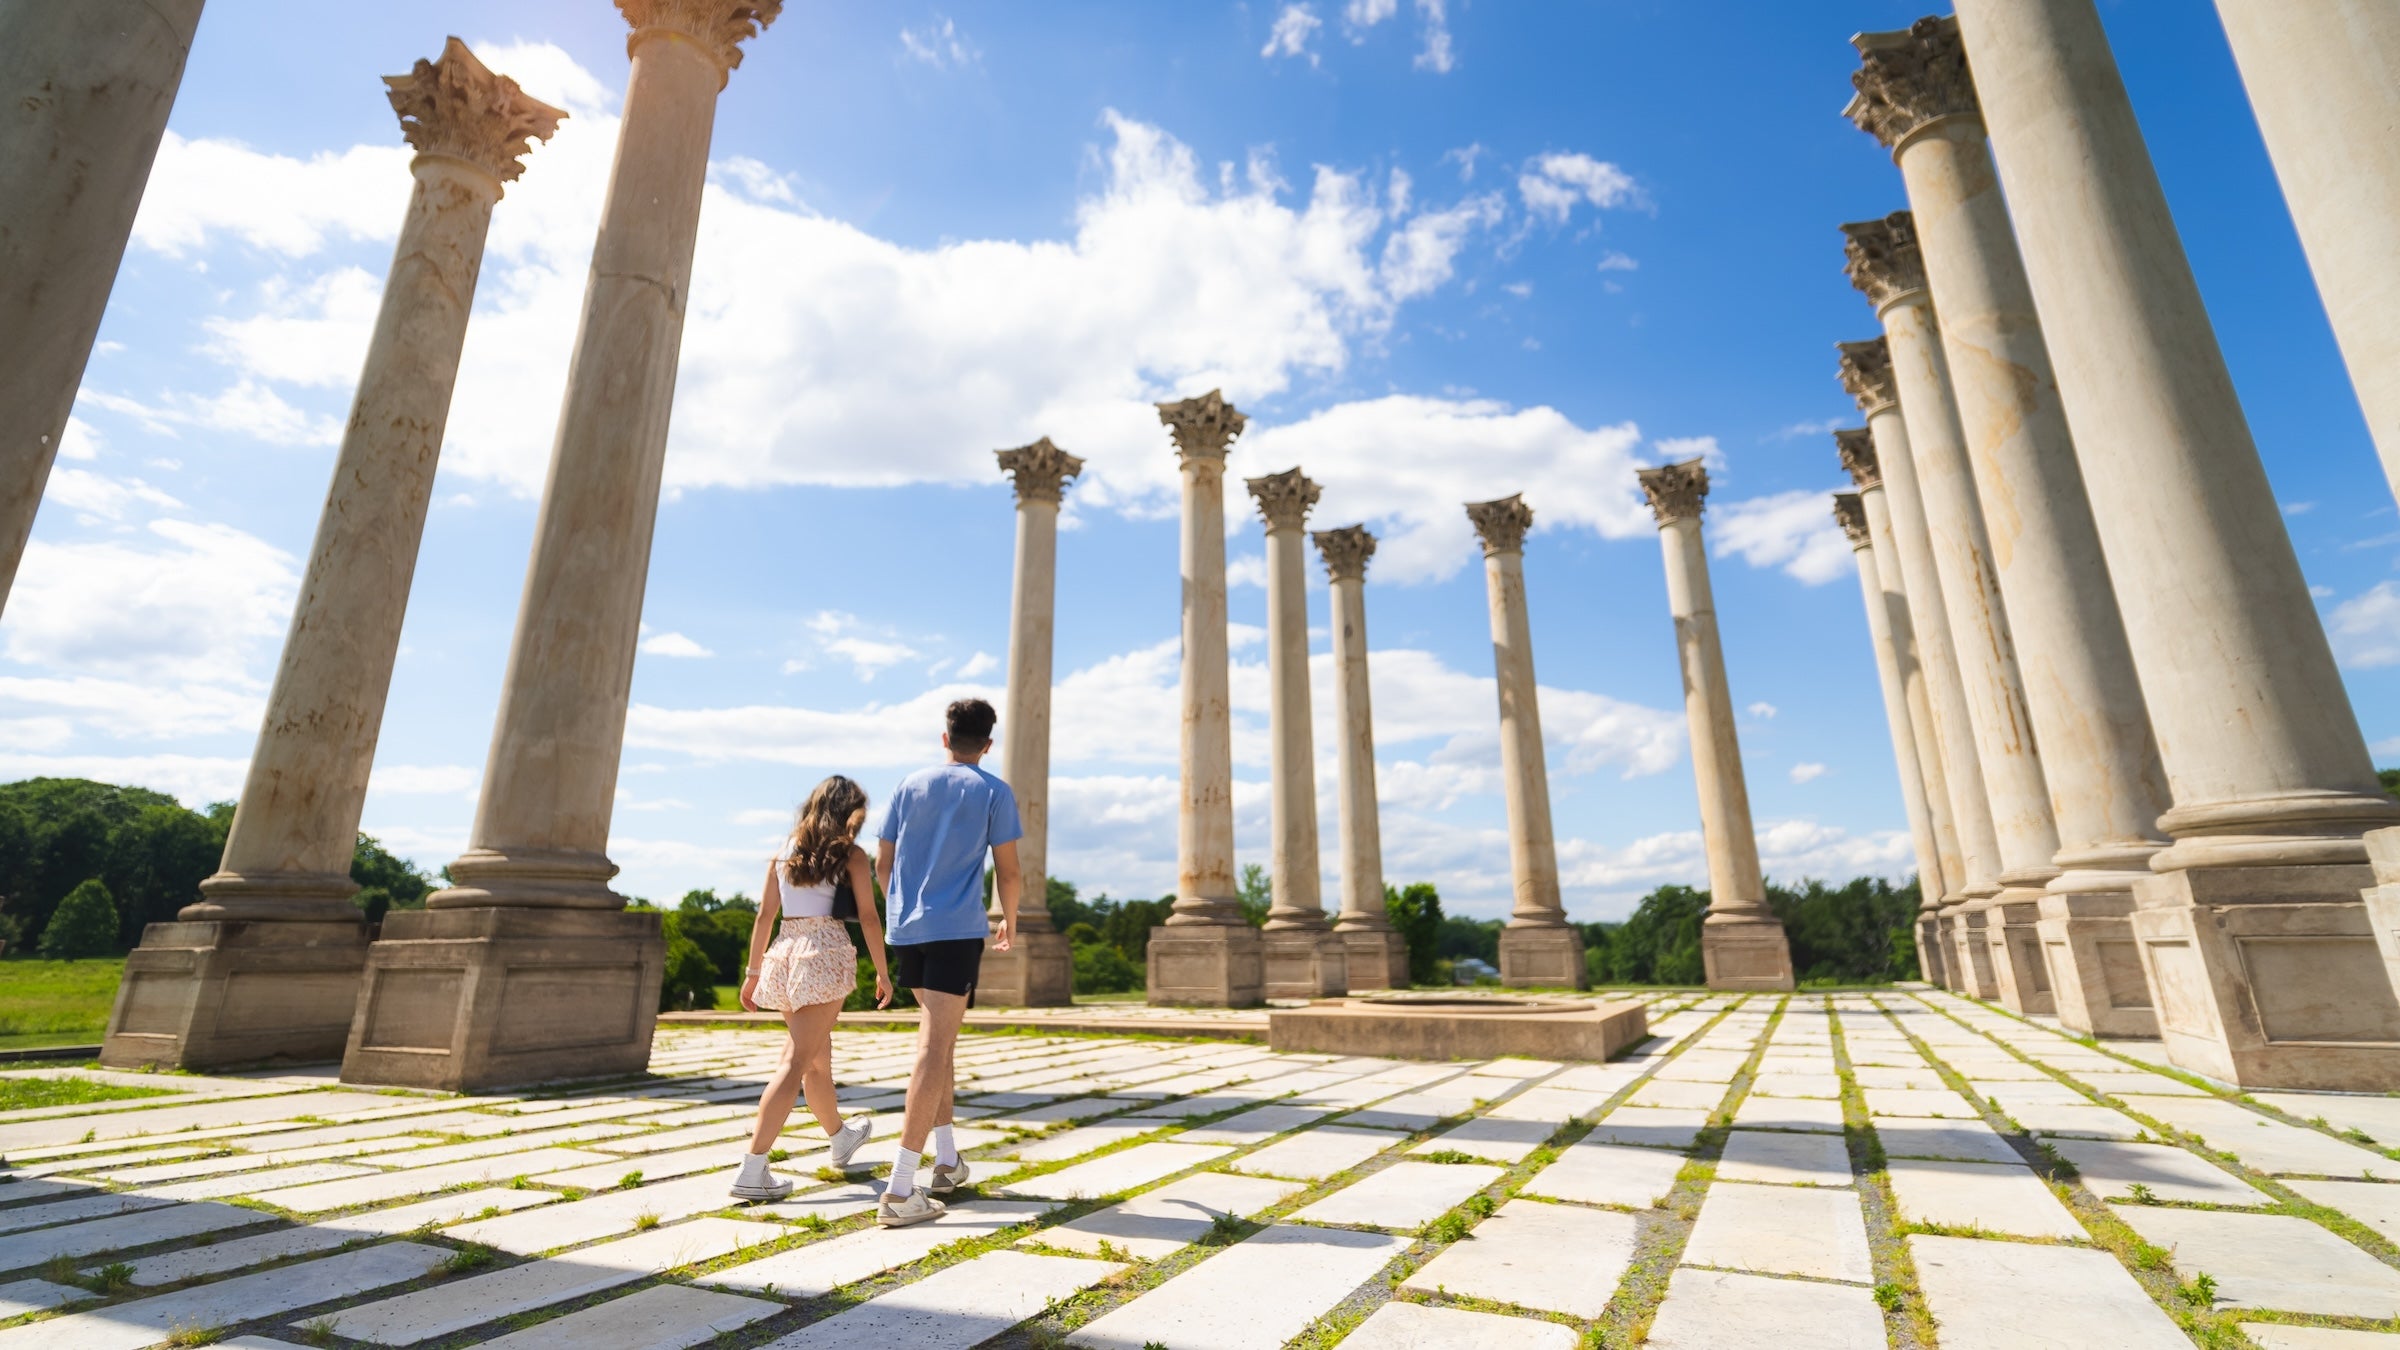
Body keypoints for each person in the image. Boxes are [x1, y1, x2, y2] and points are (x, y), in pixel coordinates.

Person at [873, 697, 1022, 1227]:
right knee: (933, 1049)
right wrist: (1009, 918)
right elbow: (1009, 870)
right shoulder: (993, 791)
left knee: (942, 1042)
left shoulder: (908, 785)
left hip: (907, 930)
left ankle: (947, 1160)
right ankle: (899, 1190)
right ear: (988, 744)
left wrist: (899, 909)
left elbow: (883, 861)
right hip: (956, 930)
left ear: (945, 738)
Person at [730, 774, 893, 1201]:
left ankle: (840, 1137)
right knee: (796, 1061)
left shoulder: (783, 853)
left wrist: (752, 972)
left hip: (785, 952)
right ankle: (752, 1168)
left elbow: (765, 916)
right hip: (824, 951)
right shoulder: (851, 855)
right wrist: (883, 972)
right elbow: (869, 917)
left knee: (817, 1060)